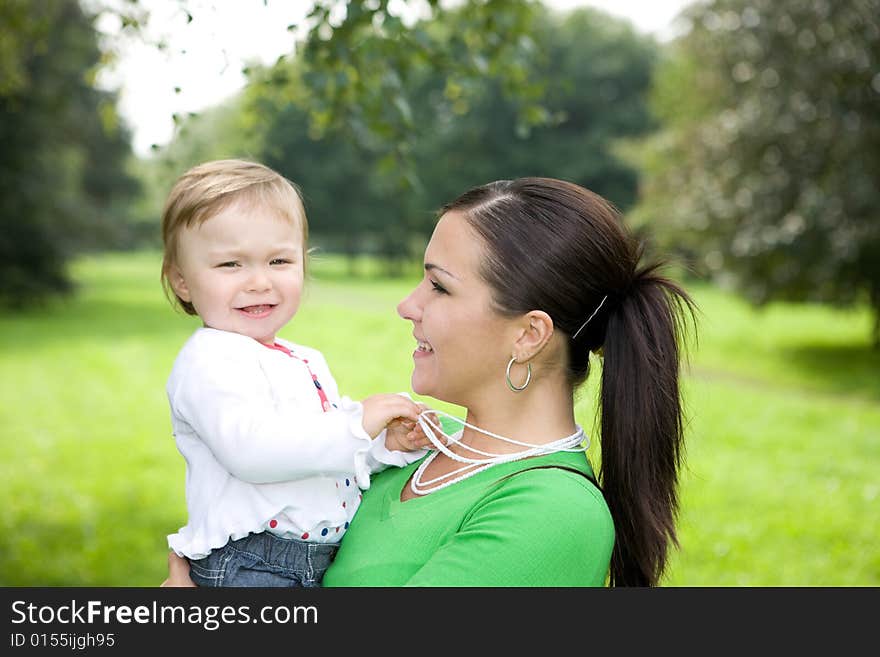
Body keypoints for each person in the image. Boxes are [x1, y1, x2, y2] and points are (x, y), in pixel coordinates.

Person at [164, 176, 696, 587]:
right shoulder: (411, 447)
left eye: (439, 287)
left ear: (528, 335)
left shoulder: (551, 512)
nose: (407, 305)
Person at [159, 159, 428, 587]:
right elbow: (253, 452)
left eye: (279, 260)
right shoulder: (210, 359)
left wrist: (380, 447)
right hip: (251, 563)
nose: (259, 281)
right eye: (231, 265)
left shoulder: (302, 358)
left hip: (305, 560)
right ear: (183, 282)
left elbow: (318, 460)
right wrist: (356, 425)